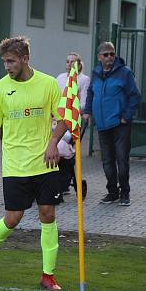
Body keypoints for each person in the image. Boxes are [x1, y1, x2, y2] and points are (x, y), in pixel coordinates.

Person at [0, 36, 68, 291]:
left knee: (47, 214)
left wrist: (53, 143)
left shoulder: (48, 84)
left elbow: (63, 119)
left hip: (45, 164)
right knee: (13, 218)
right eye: (5, 61)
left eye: (11, 61)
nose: (7, 66)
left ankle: (48, 275)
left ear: (25, 59)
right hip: (16, 166)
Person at [82, 42, 141, 206]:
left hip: (120, 125)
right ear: (99, 57)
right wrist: (87, 111)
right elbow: (91, 93)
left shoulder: (125, 73)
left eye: (112, 54)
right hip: (102, 125)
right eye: (106, 54)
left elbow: (135, 96)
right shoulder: (96, 73)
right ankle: (112, 192)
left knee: (122, 161)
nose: (109, 57)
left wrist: (126, 117)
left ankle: (125, 193)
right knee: (107, 162)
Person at [55, 53, 90, 195]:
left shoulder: (83, 80)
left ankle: (61, 179)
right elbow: (55, 99)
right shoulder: (60, 78)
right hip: (57, 118)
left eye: (72, 62)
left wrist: (68, 111)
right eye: (67, 61)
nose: (69, 64)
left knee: (62, 141)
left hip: (72, 120)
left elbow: (82, 104)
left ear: (79, 64)